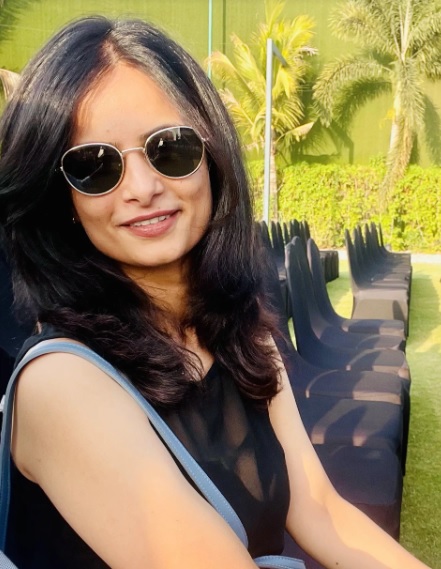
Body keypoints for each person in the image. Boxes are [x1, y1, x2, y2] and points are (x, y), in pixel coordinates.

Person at [0, 16, 431, 569]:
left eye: (170, 148)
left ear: (213, 156)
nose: (143, 188)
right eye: (95, 166)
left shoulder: (238, 331)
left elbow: (320, 509)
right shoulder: (62, 385)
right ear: (62, 199)